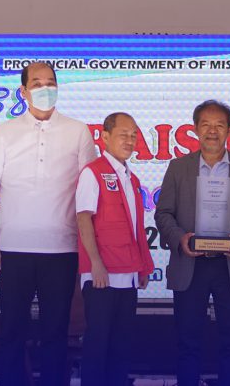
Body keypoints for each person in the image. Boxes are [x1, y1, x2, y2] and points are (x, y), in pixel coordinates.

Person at [0, 62, 96, 386]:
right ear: (23, 91)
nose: (45, 88)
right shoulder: (6, 131)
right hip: (13, 248)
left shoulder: (78, 130)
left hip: (61, 249)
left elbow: (90, 190)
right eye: (37, 83)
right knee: (12, 333)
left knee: (56, 335)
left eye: (51, 82)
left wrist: (88, 251)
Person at [155, 100, 230, 386]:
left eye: (219, 125)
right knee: (188, 342)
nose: (212, 131)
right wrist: (180, 238)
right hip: (190, 264)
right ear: (195, 129)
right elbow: (163, 213)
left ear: (229, 130)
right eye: (205, 124)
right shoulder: (179, 168)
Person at [75, 112, 154, 386]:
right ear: (105, 137)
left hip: (128, 272)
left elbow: (134, 228)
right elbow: (83, 217)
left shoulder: (131, 178)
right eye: (123, 134)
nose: (130, 140)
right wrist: (95, 263)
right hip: (102, 275)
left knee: (121, 345)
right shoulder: (93, 172)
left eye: (134, 135)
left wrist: (143, 266)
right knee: (98, 344)